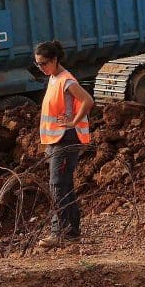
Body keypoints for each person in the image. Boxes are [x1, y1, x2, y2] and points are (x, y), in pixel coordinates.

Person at [34, 40, 94, 247]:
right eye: (37, 64)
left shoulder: (66, 80)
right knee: (64, 185)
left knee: (58, 185)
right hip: (56, 140)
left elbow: (87, 100)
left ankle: (59, 233)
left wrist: (74, 121)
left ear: (54, 60)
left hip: (66, 139)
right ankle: (71, 232)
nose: (41, 68)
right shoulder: (54, 78)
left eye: (43, 63)